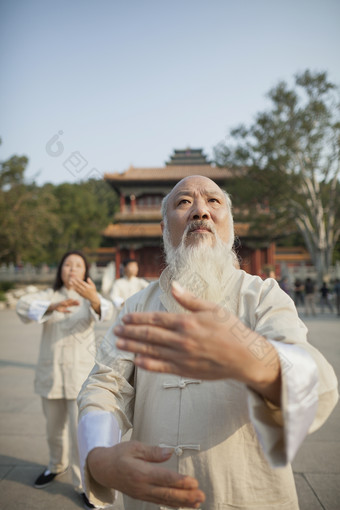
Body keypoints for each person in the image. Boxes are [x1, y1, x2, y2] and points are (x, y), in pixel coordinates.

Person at [77, 176, 338, 510]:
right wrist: (99, 456)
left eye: (214, 202)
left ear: (230, 226)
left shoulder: (262, 297)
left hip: (248, 495)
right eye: (184, 202)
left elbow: (317, 380)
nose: (200, 210)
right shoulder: (137, 306)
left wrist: (256, 362)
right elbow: (105, 385)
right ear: (163, 228)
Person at [16, 250, 113, 509]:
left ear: (85, 272)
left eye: (78, 265)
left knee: (79, 434)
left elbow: (108, 311)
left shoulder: (90, 299)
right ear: (60, 270)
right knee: (53, 429)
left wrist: (93, 299)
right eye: (67, 264)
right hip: (51, 375)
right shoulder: (49, 296)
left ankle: (83, 485)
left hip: (79, 377)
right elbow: (22, 307)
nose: (72, 269)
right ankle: (55, 465)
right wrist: (52, 306)